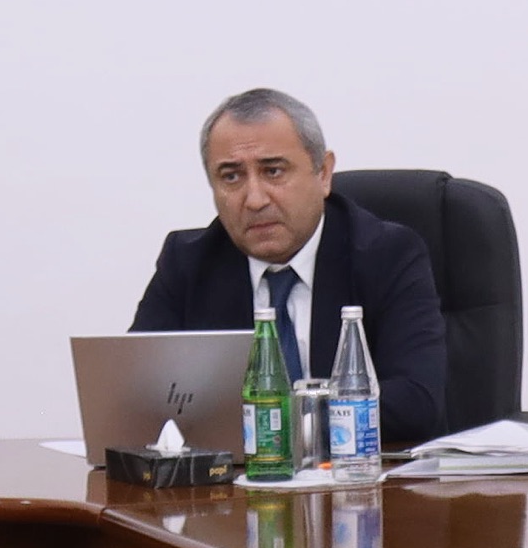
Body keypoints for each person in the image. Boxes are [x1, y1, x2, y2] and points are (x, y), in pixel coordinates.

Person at [126, 89, 454, 448]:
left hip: (355, 477)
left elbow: (415, 404)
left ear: (323, 173)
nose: (255, 199)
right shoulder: (188, 262)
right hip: (232, 481)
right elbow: (136, 402)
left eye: (273, 171)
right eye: (231, 177)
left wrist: (273, 418)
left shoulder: (387, 254)